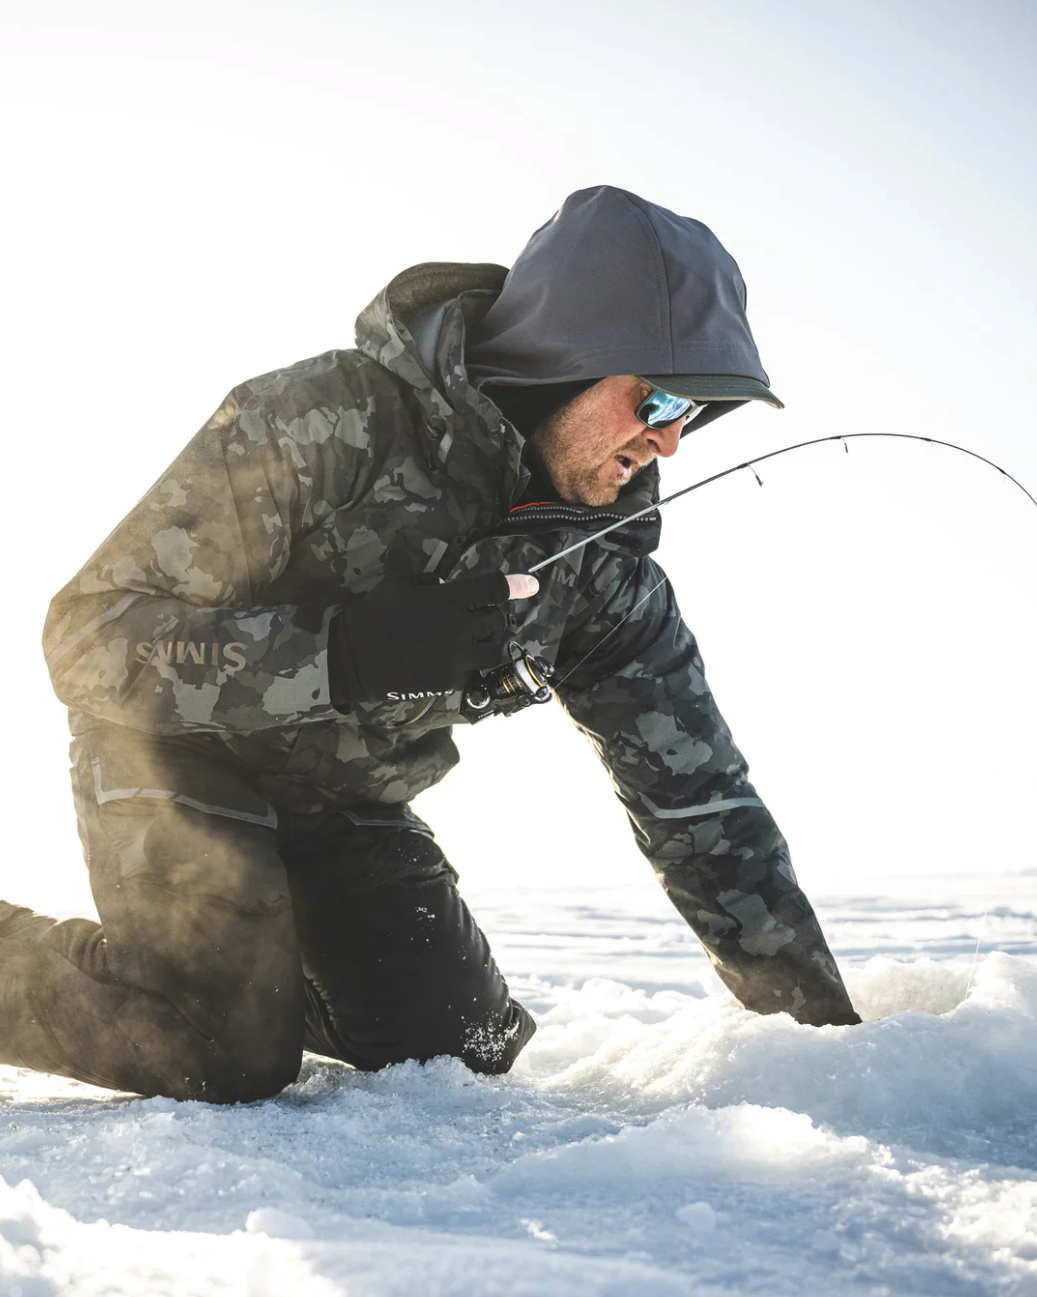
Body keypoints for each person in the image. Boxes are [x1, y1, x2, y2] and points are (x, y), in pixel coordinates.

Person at [0, 186, 859, 1104]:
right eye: (656, 396)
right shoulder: (324, 422)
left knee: (464, 1056)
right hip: (177, 768)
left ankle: (263, 983)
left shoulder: (601, 573)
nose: (670, 440)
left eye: (694, 411)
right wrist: (343, 653)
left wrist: (826, 1047)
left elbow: (701, 803)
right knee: (221, 1046)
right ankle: (226, 1000)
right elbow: (90, 636)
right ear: (570, 352)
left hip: (348, 809)